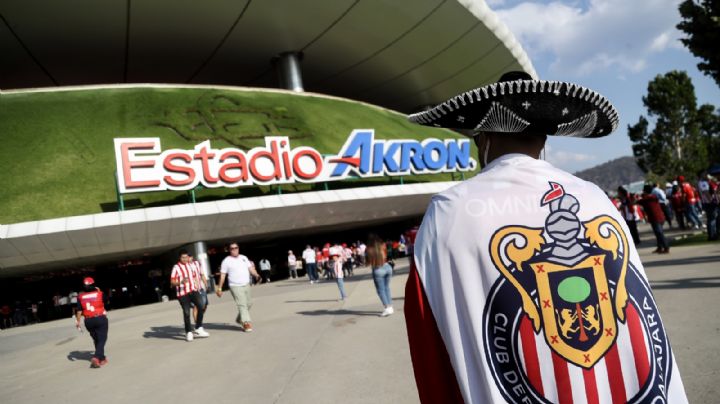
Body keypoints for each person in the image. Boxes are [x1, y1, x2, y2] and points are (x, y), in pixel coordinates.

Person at [403, 71, 687, 403]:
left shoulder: (450, 211)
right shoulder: (596, 198)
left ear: (484, 138)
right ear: (543, 139)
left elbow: (431, 335)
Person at [216, 242, 261, 332]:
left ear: (238, 248)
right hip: (235, 285)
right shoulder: (226, 261)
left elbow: (251, 269)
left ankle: (239, 318)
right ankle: (246, 323)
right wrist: (219, 288)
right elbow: (222, 275)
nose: (235, 250)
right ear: (229, 250)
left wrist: (256, 275)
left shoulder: (244, 258)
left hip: (246, 284)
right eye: (232, 248)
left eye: (236, 248)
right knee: (242, 304)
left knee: (249, 303)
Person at [170, 250, 209, 342]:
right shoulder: (176, 267)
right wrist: (181, 282)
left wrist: (199, 286)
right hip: (182, 294)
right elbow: (172, 282)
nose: (185, 259)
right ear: (180, 258)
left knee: (201, 306)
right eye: (183, 257)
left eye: (186, 257)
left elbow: (195, 276)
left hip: (193, 290)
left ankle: (198, 327)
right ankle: (189, 332)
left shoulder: (191, 265)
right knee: (187, 312)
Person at [75, 277, 109, 368]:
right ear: (93, 285)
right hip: (100, 318)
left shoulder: (80, 297)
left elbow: (79, 311)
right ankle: (96, 357)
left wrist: (78, 322)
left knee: (96, 339)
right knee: (102, 339)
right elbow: (106, 301)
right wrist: (99, 291)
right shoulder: (99, 294)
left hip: (88, 320)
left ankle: (102, 358)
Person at [638, 184, 670, 253]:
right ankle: (660, 247)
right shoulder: (653, 197)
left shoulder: (646, 199)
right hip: (660, 217)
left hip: (655, 218)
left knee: (659, 233)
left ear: (645, 191)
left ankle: (666, 247)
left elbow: (637, 202)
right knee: (658, 233)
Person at [367, 234, 393, 316]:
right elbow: (386, 256)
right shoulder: (383, 247)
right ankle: (390, 306)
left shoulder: (369, 250)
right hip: (387, 267)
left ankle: (387, 307)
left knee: (380, 290)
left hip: (378, 269)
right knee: (386, 288)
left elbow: (368, 262)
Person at [188, 254, 209, 325]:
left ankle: (199, 318)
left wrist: (206, 284)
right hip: (192, 289)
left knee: (204, 305)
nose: (188, 258)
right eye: (187, 257)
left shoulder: (197, 263)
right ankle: (197, 324)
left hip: (201, 288)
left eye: (190, 256)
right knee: (196, 306)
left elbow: (202, 275)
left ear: (192, 257)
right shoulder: (185, 267)